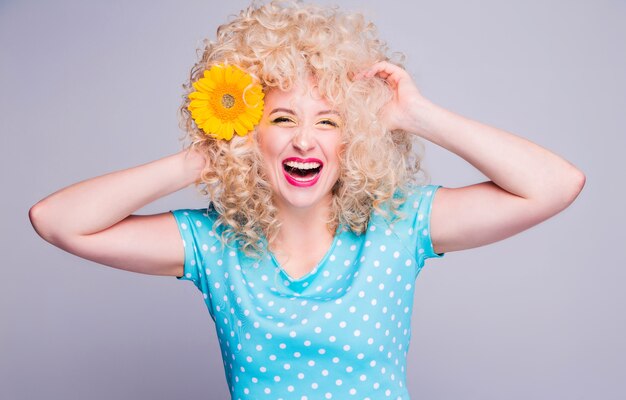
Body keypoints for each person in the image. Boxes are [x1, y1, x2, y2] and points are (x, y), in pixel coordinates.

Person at [28, 1, 585, 399]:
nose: (303, 139)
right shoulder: (210, 244)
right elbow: (56, 221)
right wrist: (206, 155)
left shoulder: (399, 226)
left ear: (354, 138)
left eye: (328, 121)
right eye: (282, 118)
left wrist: (419, 116)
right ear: (255, 134)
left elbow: (555, 184)